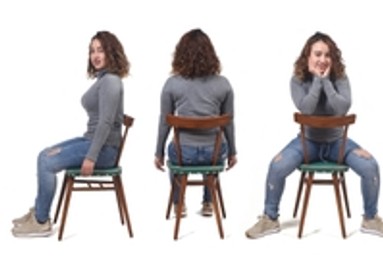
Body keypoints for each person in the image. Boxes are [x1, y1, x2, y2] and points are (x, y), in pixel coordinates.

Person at [245, 32, 383, 240]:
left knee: (370, 166)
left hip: (337, 143)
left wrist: (327, 83)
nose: (323, 59)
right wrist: (317, 81)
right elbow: (306, 108)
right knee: (276, 166)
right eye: (317, 54)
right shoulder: (297, 80)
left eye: (327, 55)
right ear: (308, 57)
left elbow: (342, 108)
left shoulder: (340, 78)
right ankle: (269, 218)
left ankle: (370, 218)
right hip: (307, 143)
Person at [13, 31, 130, 238]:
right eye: (92, 51)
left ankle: (41, 221)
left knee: (46, 162)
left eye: (100, 50)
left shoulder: (111, 81)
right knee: (45, 153)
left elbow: (105, 123)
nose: (95, 55)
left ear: (111, 52)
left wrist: (91, 157)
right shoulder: (103, 80)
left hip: (103, 150)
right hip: (92, 141)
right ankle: (39, 210)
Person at [154, 28, 238, 220]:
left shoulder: (171, 84)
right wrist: (232, 152)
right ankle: (209, 202)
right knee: (214, 149)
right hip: (214, 155)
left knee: (173, 153)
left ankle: (179, 203)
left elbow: (164, 123)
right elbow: (229, 124)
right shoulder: (224, 84)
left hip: (185, 155)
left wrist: (158, 153)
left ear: (180, 55)